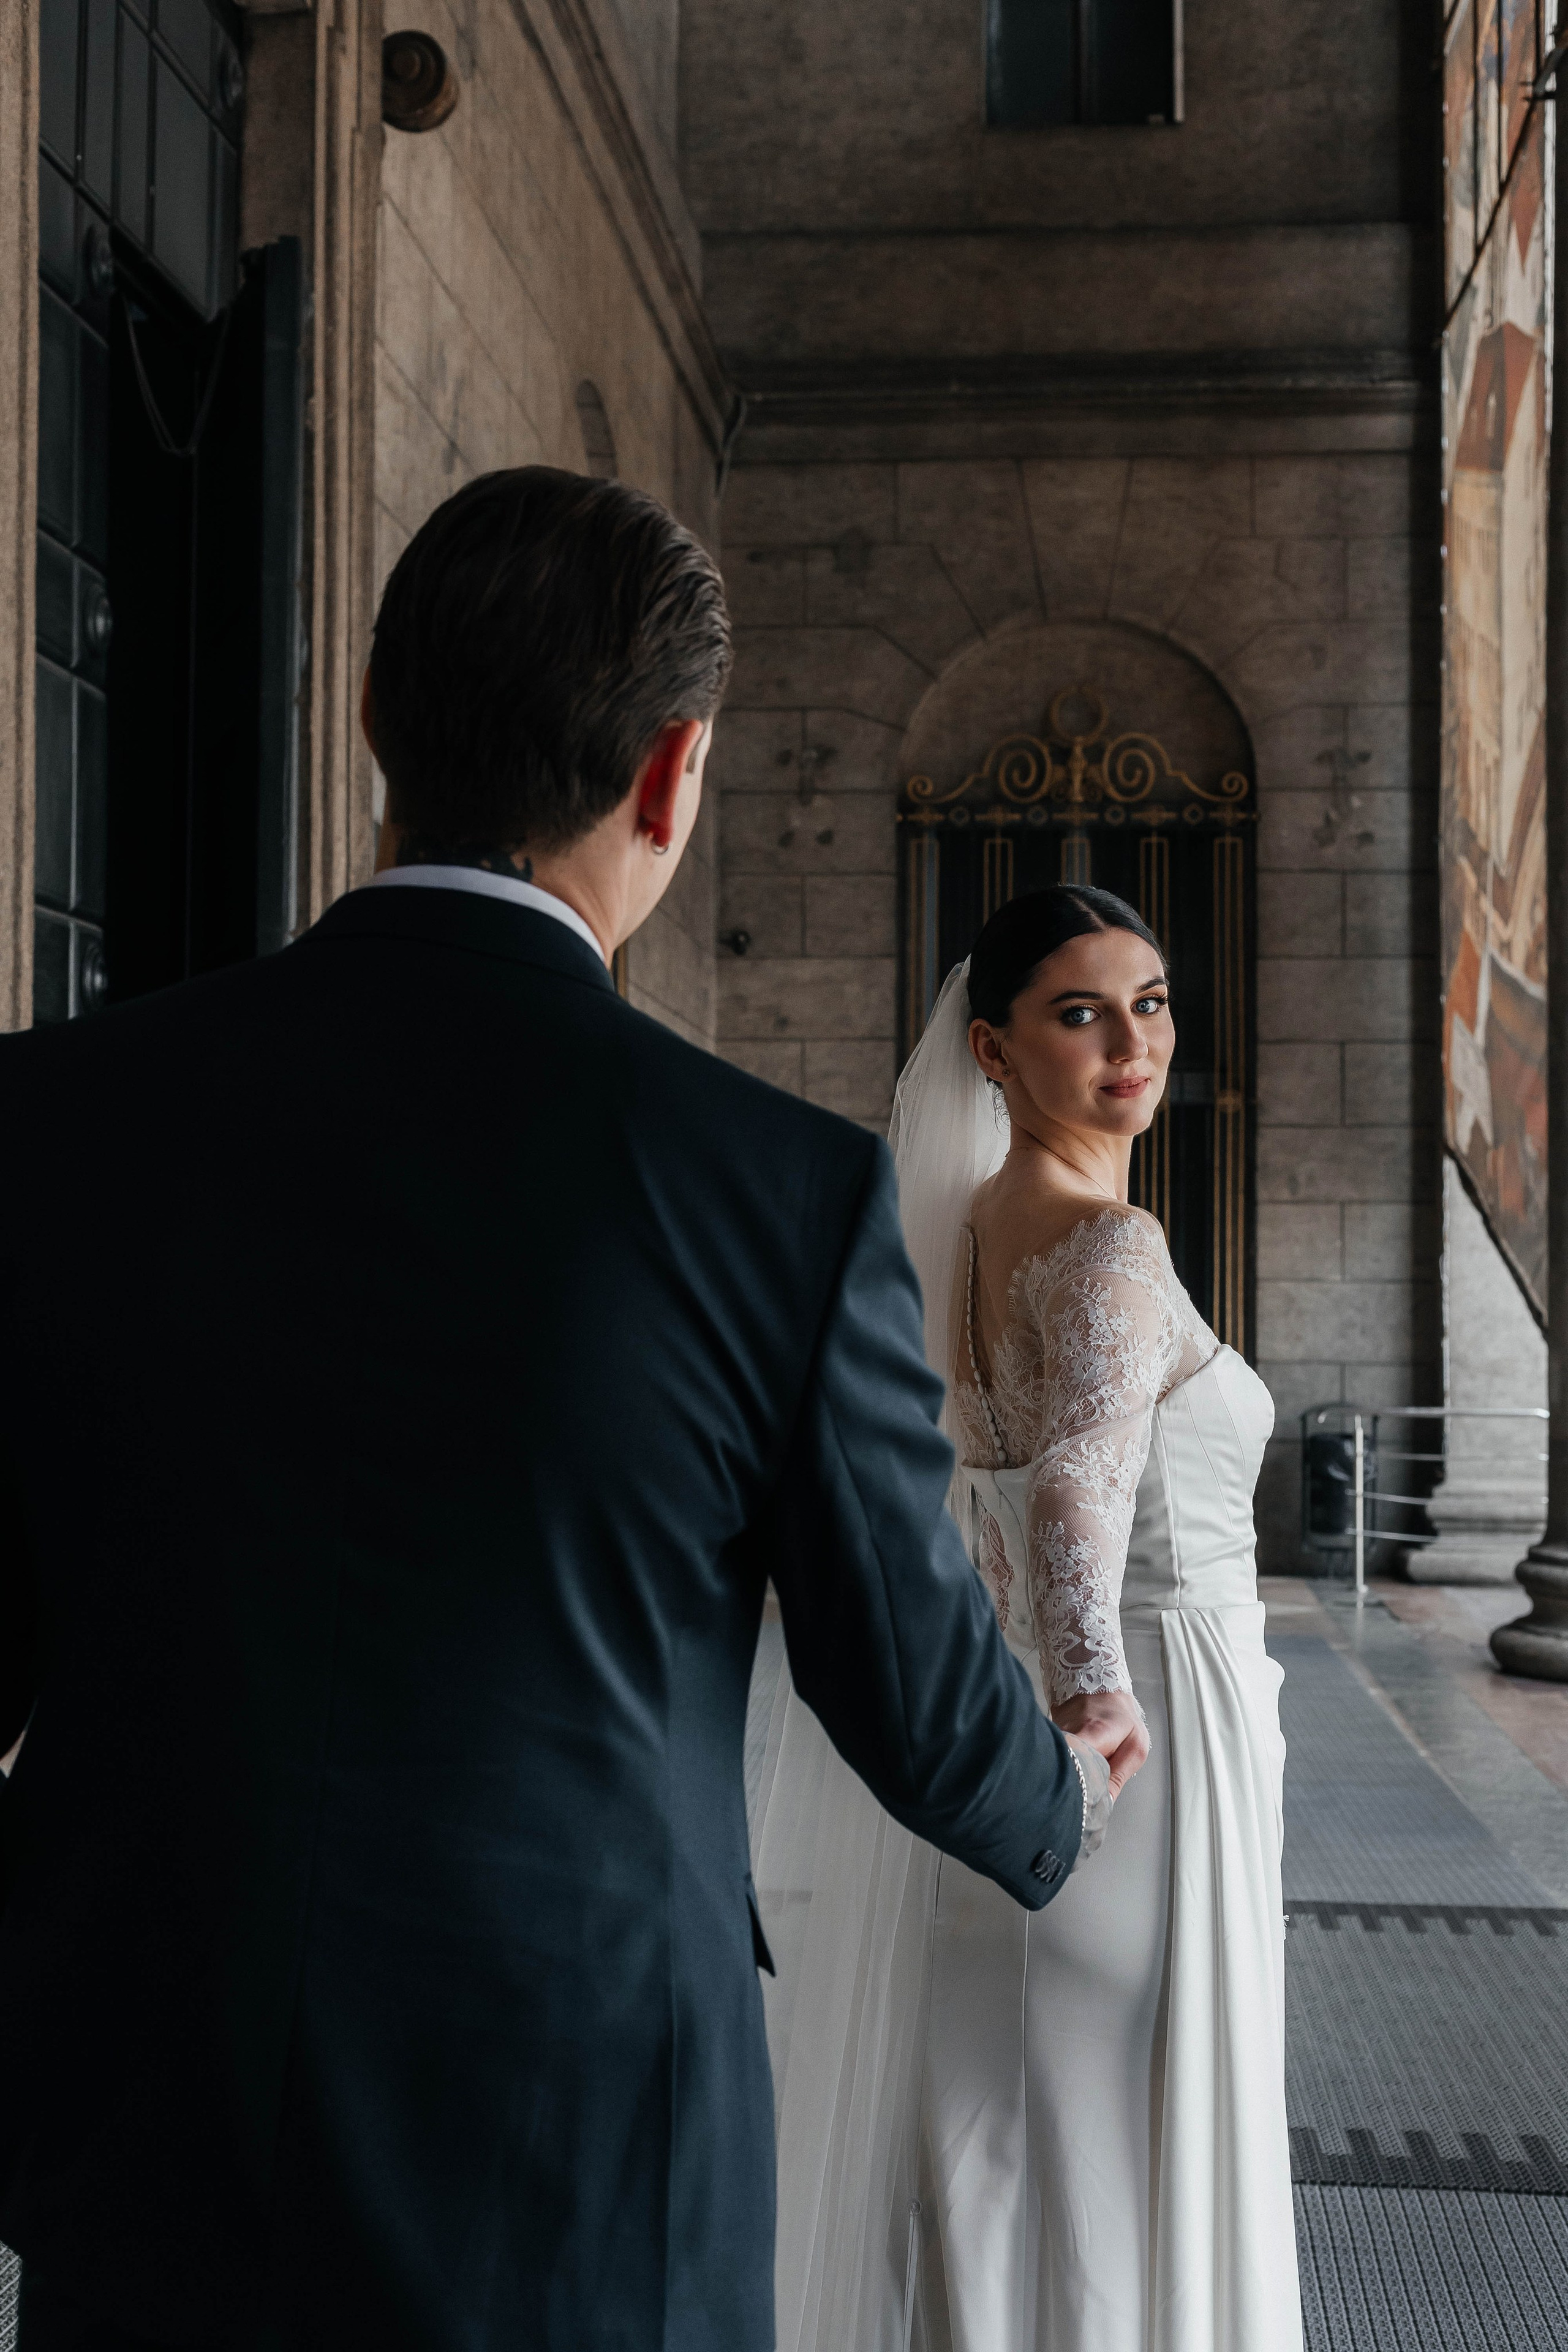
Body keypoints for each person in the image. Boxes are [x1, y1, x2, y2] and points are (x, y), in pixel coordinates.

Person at [0, 470, 1106, 2352]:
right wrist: (1059, 1797)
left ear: (374, 722)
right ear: (672, 777)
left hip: (156, 2106)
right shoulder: (775, 1190)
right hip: (583, 2146)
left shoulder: (51, 1117)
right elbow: (912, 1690)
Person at [755, 885, 1302, 2352]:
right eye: (1080, 1012)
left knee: (1003, 2132)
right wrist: (1091, 1697)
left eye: (1151, 1001)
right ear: (991, 1054)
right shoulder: (1107, 1244)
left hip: (1009, 1750)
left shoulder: (975, 1231)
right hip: (1143, 1734)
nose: (1132, 1042)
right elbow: (1072, 1493)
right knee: (1121, 2137)